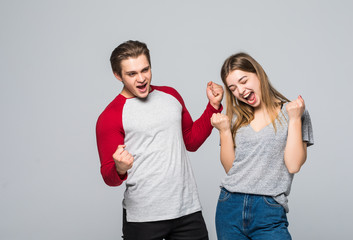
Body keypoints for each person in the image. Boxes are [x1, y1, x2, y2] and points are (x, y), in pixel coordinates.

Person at [95, 40, 224, 240]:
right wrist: (120, 168)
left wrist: (213, 107)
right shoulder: (110, 116)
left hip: (187, 211)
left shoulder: (170, 95)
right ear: (117, 75)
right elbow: (108, 176)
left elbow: (191, 141)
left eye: (145, 69)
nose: (141, 78)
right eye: (132, 74)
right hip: (143, 218)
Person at [210, 52, 314, 240]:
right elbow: (231, 169)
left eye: (244, 81)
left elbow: (293, 165)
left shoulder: (293, 112)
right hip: (229, 206)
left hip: (269, 209)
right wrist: (224, 131)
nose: (240, 91)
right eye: (233, 88)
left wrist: (295, 120)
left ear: (258, 74)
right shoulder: (235, 118)